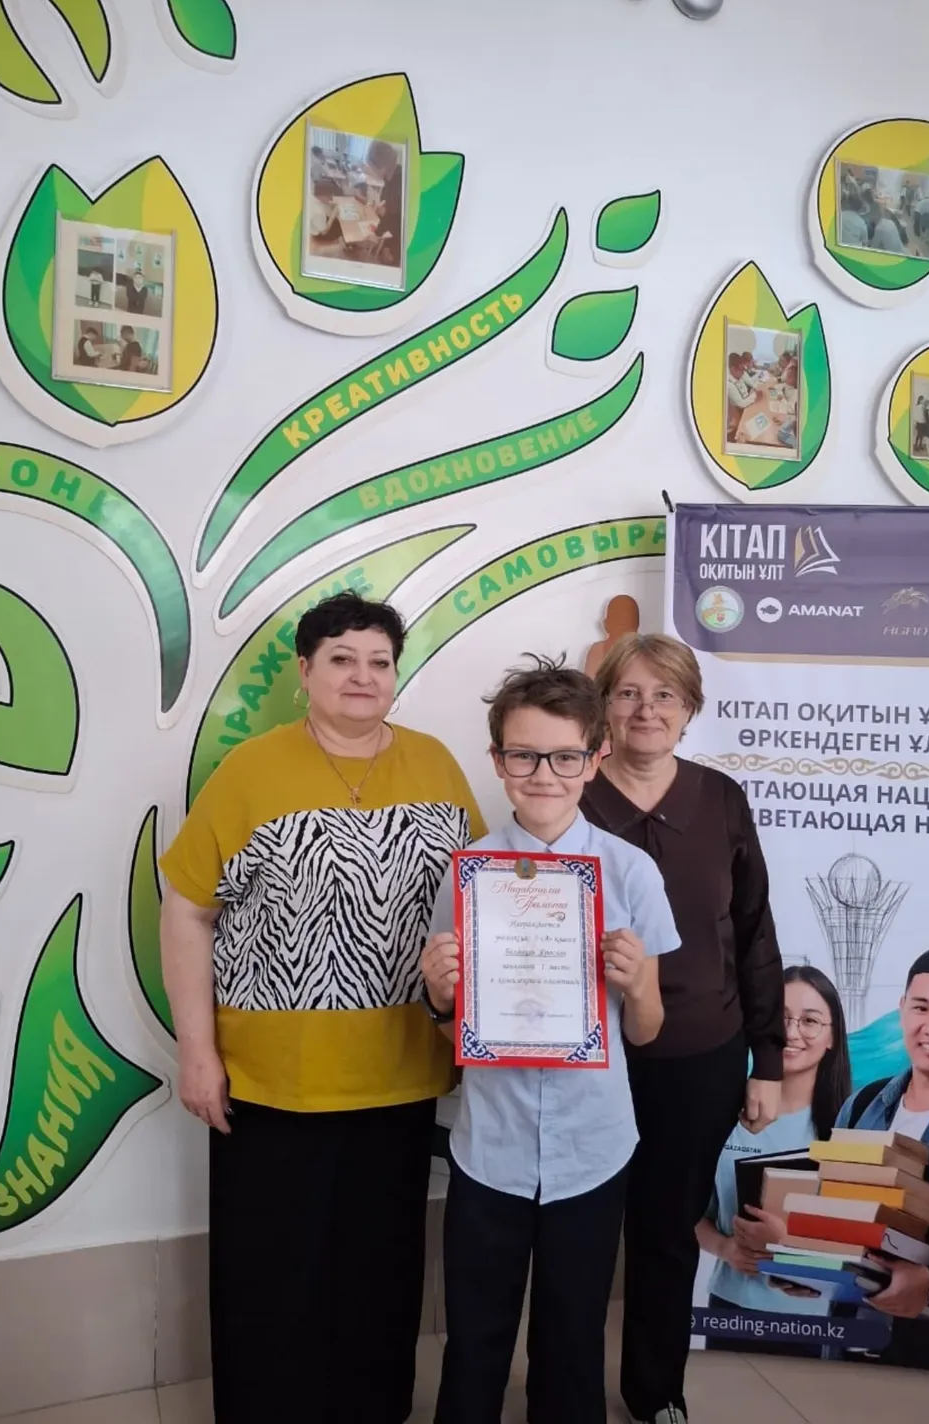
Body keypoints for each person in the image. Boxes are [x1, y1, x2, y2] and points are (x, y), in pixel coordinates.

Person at [158, 591, 485, 1424]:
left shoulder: (437, 766)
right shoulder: (251, 771)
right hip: (273, 1084)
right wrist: (197, 1051)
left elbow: (481, 902)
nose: (362, 676)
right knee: (269, 1279)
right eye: (342, 659)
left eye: (379, 661)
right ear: (305, 672)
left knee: (381, 1276)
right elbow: (187, 910)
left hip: (399, 1075)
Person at [420, 658, 680, 1424]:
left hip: (591, 1147)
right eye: (525, 756)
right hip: (490, 1147)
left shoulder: (629, 873)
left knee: (571, 1338)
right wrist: (440, 998)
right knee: (475, 1335)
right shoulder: (469, 873)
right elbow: (454, 1030)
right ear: (498, 760)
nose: (544, 775)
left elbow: (648, 1028)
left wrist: (637, 986)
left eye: (565, 757)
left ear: (596, 758)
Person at [582, 633, 784, 1424]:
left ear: (690, 707)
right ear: (603, 706)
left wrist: (768, 1061)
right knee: (581, 1232)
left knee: (667, 1232)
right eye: (629, 693)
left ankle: (655, 1392)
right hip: (592, 1056)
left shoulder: (722, 799)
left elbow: (755, 930)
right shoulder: (570, 795)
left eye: (665, 694)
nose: (647, 710)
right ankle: (568, 1390)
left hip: (701, 1054)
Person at [697, 966, 851, 1354]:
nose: (792, 1033)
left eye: (810, 1021)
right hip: (730, 1310)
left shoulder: (853, 1126)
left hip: (821, 1319)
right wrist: (725, 1248)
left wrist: (791, 1251)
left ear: (833, 1036)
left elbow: (870, 1244)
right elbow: (689, 1214)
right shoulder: (722, 1118)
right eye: (779, 1019)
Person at [836, 945, 929, 1374]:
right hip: (848, 1346)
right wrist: (801, 1265)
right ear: (901, 1010)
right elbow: (834, 1212)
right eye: (921, 1007)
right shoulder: (863, 1104)